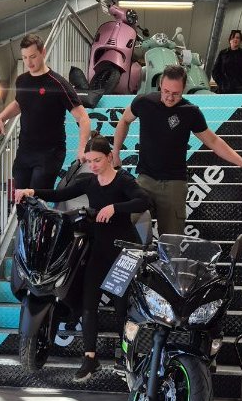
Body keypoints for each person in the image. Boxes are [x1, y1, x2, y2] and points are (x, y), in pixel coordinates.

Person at [15, 135, 150, 383]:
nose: (93, 165)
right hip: (99, 248)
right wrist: (31, 191)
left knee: (121, 307)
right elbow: (61, 193)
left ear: (109, 157)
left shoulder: (123, 180)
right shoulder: (89, 181)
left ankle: (126, 356)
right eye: (89, 161)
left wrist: (115, 208)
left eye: (97, 160)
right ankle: (90, 358)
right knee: (88, 304)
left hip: (123, 252)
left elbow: (144, 200)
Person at [111, 65, 242, 236]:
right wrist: (115, 152)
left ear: (183, 89)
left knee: (171, 239)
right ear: (160, 84)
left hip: (174, 184)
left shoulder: (190, 112)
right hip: (145, 179)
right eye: (166, 91)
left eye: (175, 93)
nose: (170, 97)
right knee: (132, 230)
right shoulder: (143, 102)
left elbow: (213, 141)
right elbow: (124, 120)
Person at [0, 32, 92, 190]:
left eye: (32, 56)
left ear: (43, 52)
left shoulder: (58, 83)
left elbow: (83, 118)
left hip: (50, 153)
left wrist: (81, 149)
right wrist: (0, 117)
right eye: (24, 57)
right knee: (20, 199)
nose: (28, 62)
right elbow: (19, 103)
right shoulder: (22, 80)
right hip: (25, 151)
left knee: (36, 196)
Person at [211, 29, 242, 93]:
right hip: (225, 89)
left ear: (240, 41)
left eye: (237, 38)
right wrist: (221, 83)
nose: (235, 39)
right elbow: (215, 71)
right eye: (233, 37)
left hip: (241, 89)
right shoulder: (223, 53)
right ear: (230, 40)